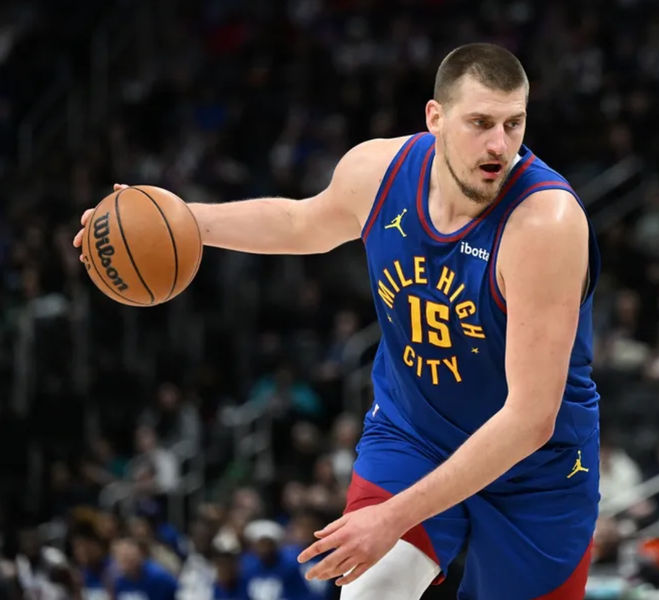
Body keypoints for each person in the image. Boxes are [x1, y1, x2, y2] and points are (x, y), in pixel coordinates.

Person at [74, 42, 600, 599]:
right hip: (415, 433)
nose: (499, 144)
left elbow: (528, 420)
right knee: (369, 591)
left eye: (513, 123)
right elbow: (303, 224)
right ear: (435, 118)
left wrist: (391, 517)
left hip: (534, 469)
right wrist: (172, 223)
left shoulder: (546, 223)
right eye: (480, 123)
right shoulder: (378, 170)